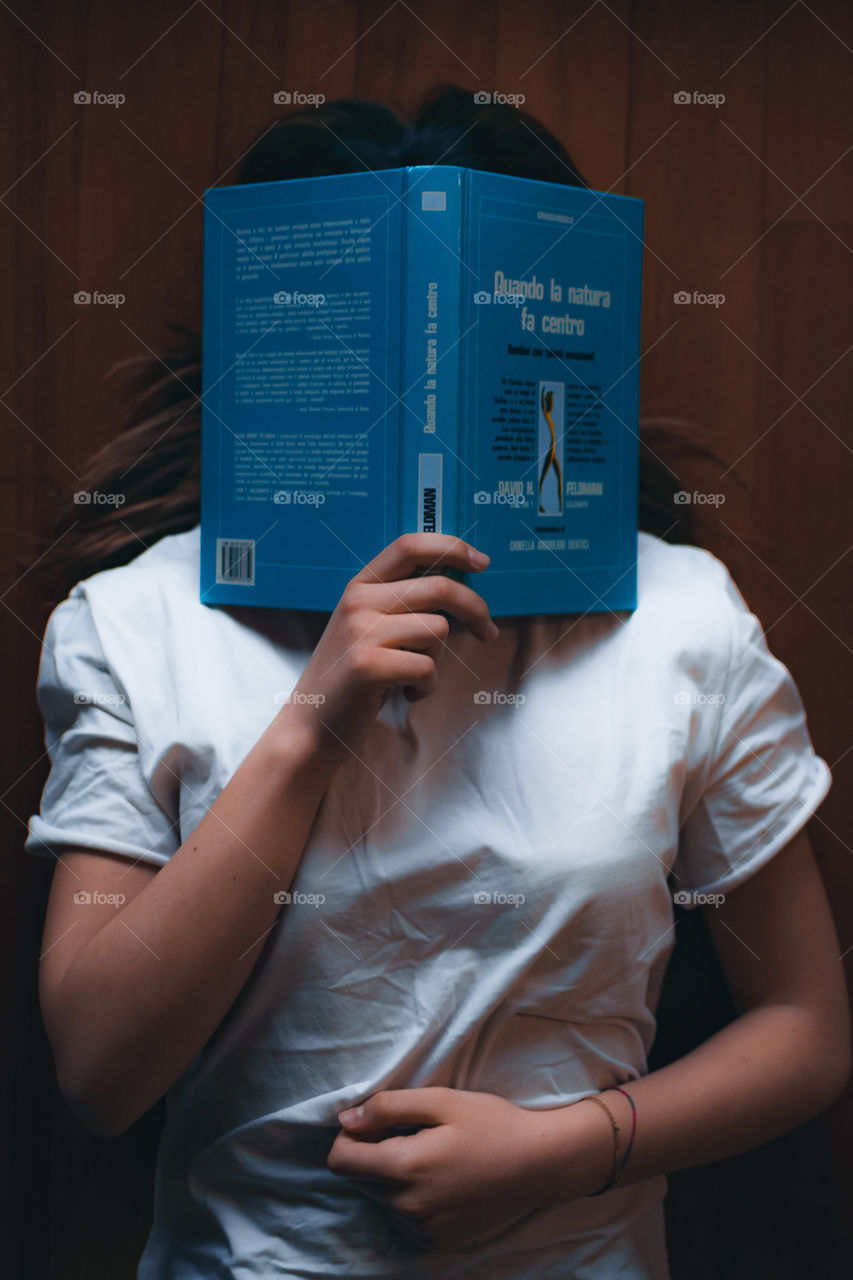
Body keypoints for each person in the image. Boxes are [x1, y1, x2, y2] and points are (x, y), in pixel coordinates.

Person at [25, 85, 849, 1279]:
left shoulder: (680, 617)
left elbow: (807, 1027)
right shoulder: (134, 620)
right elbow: (100, 1071)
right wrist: (315, 718)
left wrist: (569, 1149)